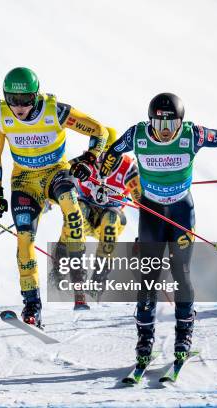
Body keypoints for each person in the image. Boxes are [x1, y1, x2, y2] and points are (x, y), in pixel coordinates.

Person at [98, 92, 217, 362]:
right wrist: (102, 182)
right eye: (159, 126)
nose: (165, 133)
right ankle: (145, 339)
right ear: (150, 123)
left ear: (182, 123)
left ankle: (184, 334)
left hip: (181, 211)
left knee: (180, 273)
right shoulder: (137, 135)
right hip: (152, 212)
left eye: (171, 126)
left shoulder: (193, 136)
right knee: (149, 276)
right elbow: (111, 154)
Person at [0, 67, 109, 327]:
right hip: (24, 181)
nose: (19, 107)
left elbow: (99, 131)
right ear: (4, 96)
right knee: (24, 238)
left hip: (56, 173)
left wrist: (90, 159)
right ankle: (31, 304)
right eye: (13, 99)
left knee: (71, 207)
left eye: (25, 100)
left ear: (36, 95)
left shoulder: (54, 110)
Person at [52, 127, 141, 309]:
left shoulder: (128, 169)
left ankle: (96, 285)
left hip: (109, 214)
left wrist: (144, 195)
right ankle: (59, 273)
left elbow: (141, 199)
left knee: (110, 222)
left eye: (105, 155)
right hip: (86, 210)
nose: (99, 160)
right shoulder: (85, 162)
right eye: (97, 154)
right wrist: (45, 200)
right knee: (76, 212)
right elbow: (57, 178)